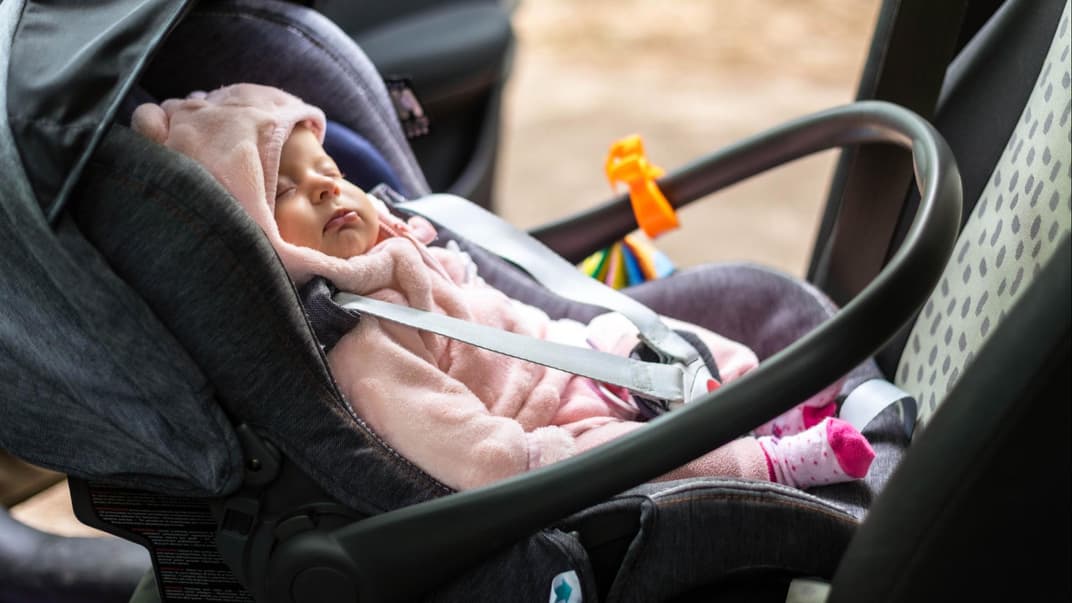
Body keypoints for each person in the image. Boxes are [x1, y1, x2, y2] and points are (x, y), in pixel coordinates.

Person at [132, 83, 874, 491]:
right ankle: (770, 463)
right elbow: (474, 452)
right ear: (258, 239)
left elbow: (505, 300)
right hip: (543, 434)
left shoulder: (401, 240)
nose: (327, 190)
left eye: (326, 170)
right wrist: (538, 448)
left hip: (565, 356)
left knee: (651, 334)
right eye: (289, 190)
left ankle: (766, 398)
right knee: (629, 456)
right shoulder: (358, 340)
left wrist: (580, 341)